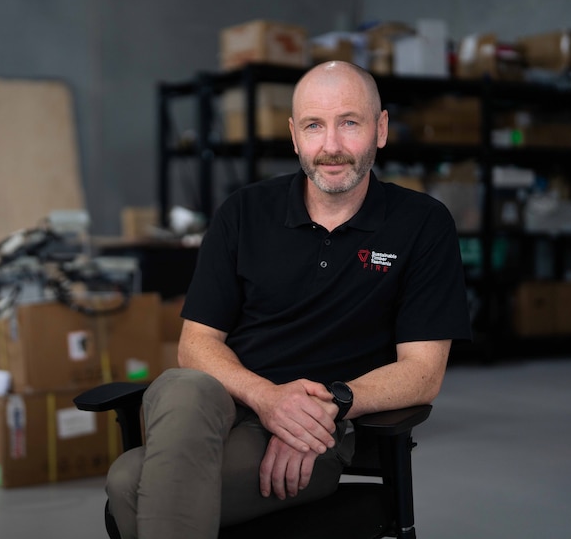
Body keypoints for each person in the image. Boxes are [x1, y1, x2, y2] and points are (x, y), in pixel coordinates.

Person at [105, 60, 473, 539]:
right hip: (228, 400)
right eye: (314, 126)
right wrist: (268, 399)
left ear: (380, 129)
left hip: (319, 433)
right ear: (295, 136)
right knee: (183, 383)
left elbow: (423, 372)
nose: (332, 146)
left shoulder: (422, 223)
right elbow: (195, 345)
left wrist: (329, 407)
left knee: (127, 483)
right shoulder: (243, 211)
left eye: (350, 123)